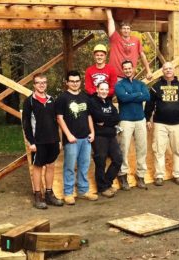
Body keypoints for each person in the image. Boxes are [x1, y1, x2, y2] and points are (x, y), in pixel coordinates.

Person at [145, 62, 179, 186]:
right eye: (165, 69)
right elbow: (149, 105)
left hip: (177, 123)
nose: (168, 71)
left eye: (170, 68)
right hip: (160, 123)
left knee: (177, 150)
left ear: (174, 70)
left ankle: (178, 174)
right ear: (163, 71)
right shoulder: (156, 87)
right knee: (159, 150)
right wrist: (147, 119)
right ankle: (159, 175)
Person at [21, 74, 64, 209]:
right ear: (34, 85)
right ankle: (38, 195)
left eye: (44, 82)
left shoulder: (52, 100)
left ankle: (49, 194)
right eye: (38, 83)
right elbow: (26, 123)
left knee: (51, 166)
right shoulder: (30, 102)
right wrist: (31, 142)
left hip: (52, 140)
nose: (41, 85)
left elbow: (56, 121)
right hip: (38, 141)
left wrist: (58, 140)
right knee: (38, 167)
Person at [57, 71, 96, 205]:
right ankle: (68, 193)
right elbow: (59, 118)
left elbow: (89, 116)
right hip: (71, 139)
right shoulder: (62, 98)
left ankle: (83, 191)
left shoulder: (85, 97)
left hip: (85, 138)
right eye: (72, 81)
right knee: (69, 166)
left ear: (80, 82)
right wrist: (68, 135)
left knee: (84, 165)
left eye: (77, 81)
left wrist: (92, 132)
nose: (74, 83)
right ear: (67, 82)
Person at [115, 60, 151, 190]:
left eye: (129, 68)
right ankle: (123, 175)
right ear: (122, 70)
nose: (128, 70)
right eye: (125, 68)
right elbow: (122, 98)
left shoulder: (140, 83)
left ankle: (140, 175)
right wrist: (138, 95)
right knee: (123, 148)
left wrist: (131, 95)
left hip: (140, 119)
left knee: (142, 148)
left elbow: (147, 97)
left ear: (133, 68)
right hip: (125, 119)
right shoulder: (119, 85)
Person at [88, 81, 123, 198]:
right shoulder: (92, 102)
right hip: (99, 136)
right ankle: (102, 188)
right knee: (101, 161)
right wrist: (109, 121)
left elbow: (117, 117)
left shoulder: (108, 102)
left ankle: (107, 183)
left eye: (106, 89)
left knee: (118, 159)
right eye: (101, 89)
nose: (104, 91)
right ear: (97, 90)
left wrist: (105, 122)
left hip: (111, 135)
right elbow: (97, 117)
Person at [106, 9, 151, 78]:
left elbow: (142, 56)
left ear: (130, 30)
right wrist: (107, 9)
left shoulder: (136, 40)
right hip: (116, 76)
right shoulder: (115, 38)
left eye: (127, 28)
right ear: (120, 30)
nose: (126, 30)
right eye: (124, 28)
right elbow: (110, 20)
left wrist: (148, 71)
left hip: (130, 76)